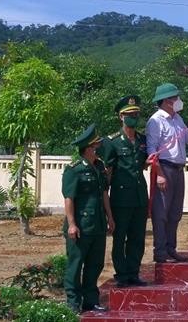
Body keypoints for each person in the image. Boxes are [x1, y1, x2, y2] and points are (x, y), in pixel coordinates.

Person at [146, 83, 188, 263]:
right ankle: (160, 252)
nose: (178, 101)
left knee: (175, 212)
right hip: (164, 168)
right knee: (161, 213)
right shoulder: (156, 121)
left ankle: (170, 249)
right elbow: (152, 151)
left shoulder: (177, 119)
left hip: (178, 169)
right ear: (167, 101)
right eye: (175, 98)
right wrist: (158, 173)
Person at [101, 95, 152, 288]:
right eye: (129, 114)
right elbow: (108, 171)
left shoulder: (142, 139)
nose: (134, 117)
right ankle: (122, 274)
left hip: (139, 197)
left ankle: (133, 273)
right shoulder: (111, 142)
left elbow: (143, 164)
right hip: (121, 199)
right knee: (120, 238)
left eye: (136, 114)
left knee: (137, 238)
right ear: (121, 117)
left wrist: (149, 162)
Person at [62, 124, 114, 313]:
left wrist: (110, 217)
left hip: (98, 224)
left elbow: (104, 194)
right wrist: (72, 224)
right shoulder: (74, 169)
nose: (97, 149)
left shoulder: (99, 166)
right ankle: (73, 302)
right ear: (87, 148)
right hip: (81, 226)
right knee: (76, 265)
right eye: (95, 146)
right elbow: (69, 198)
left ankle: (91, 300)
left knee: (95, 264)